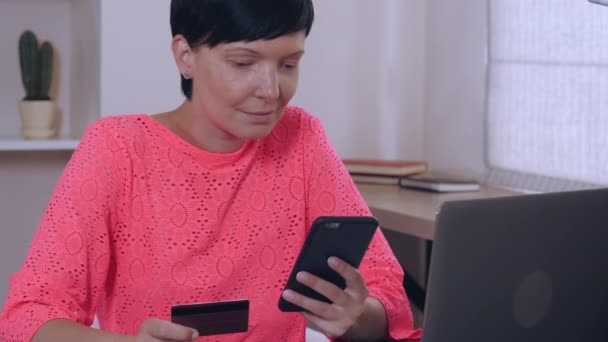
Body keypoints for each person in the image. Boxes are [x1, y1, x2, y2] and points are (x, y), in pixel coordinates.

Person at [0, 0, 421, 341]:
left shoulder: (302, 137)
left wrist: (358, 316)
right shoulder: (117, 149)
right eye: (243, 64)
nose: (272, 91)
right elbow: (29, 317)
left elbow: (386, 292)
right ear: (185, 56)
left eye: (289, 65)